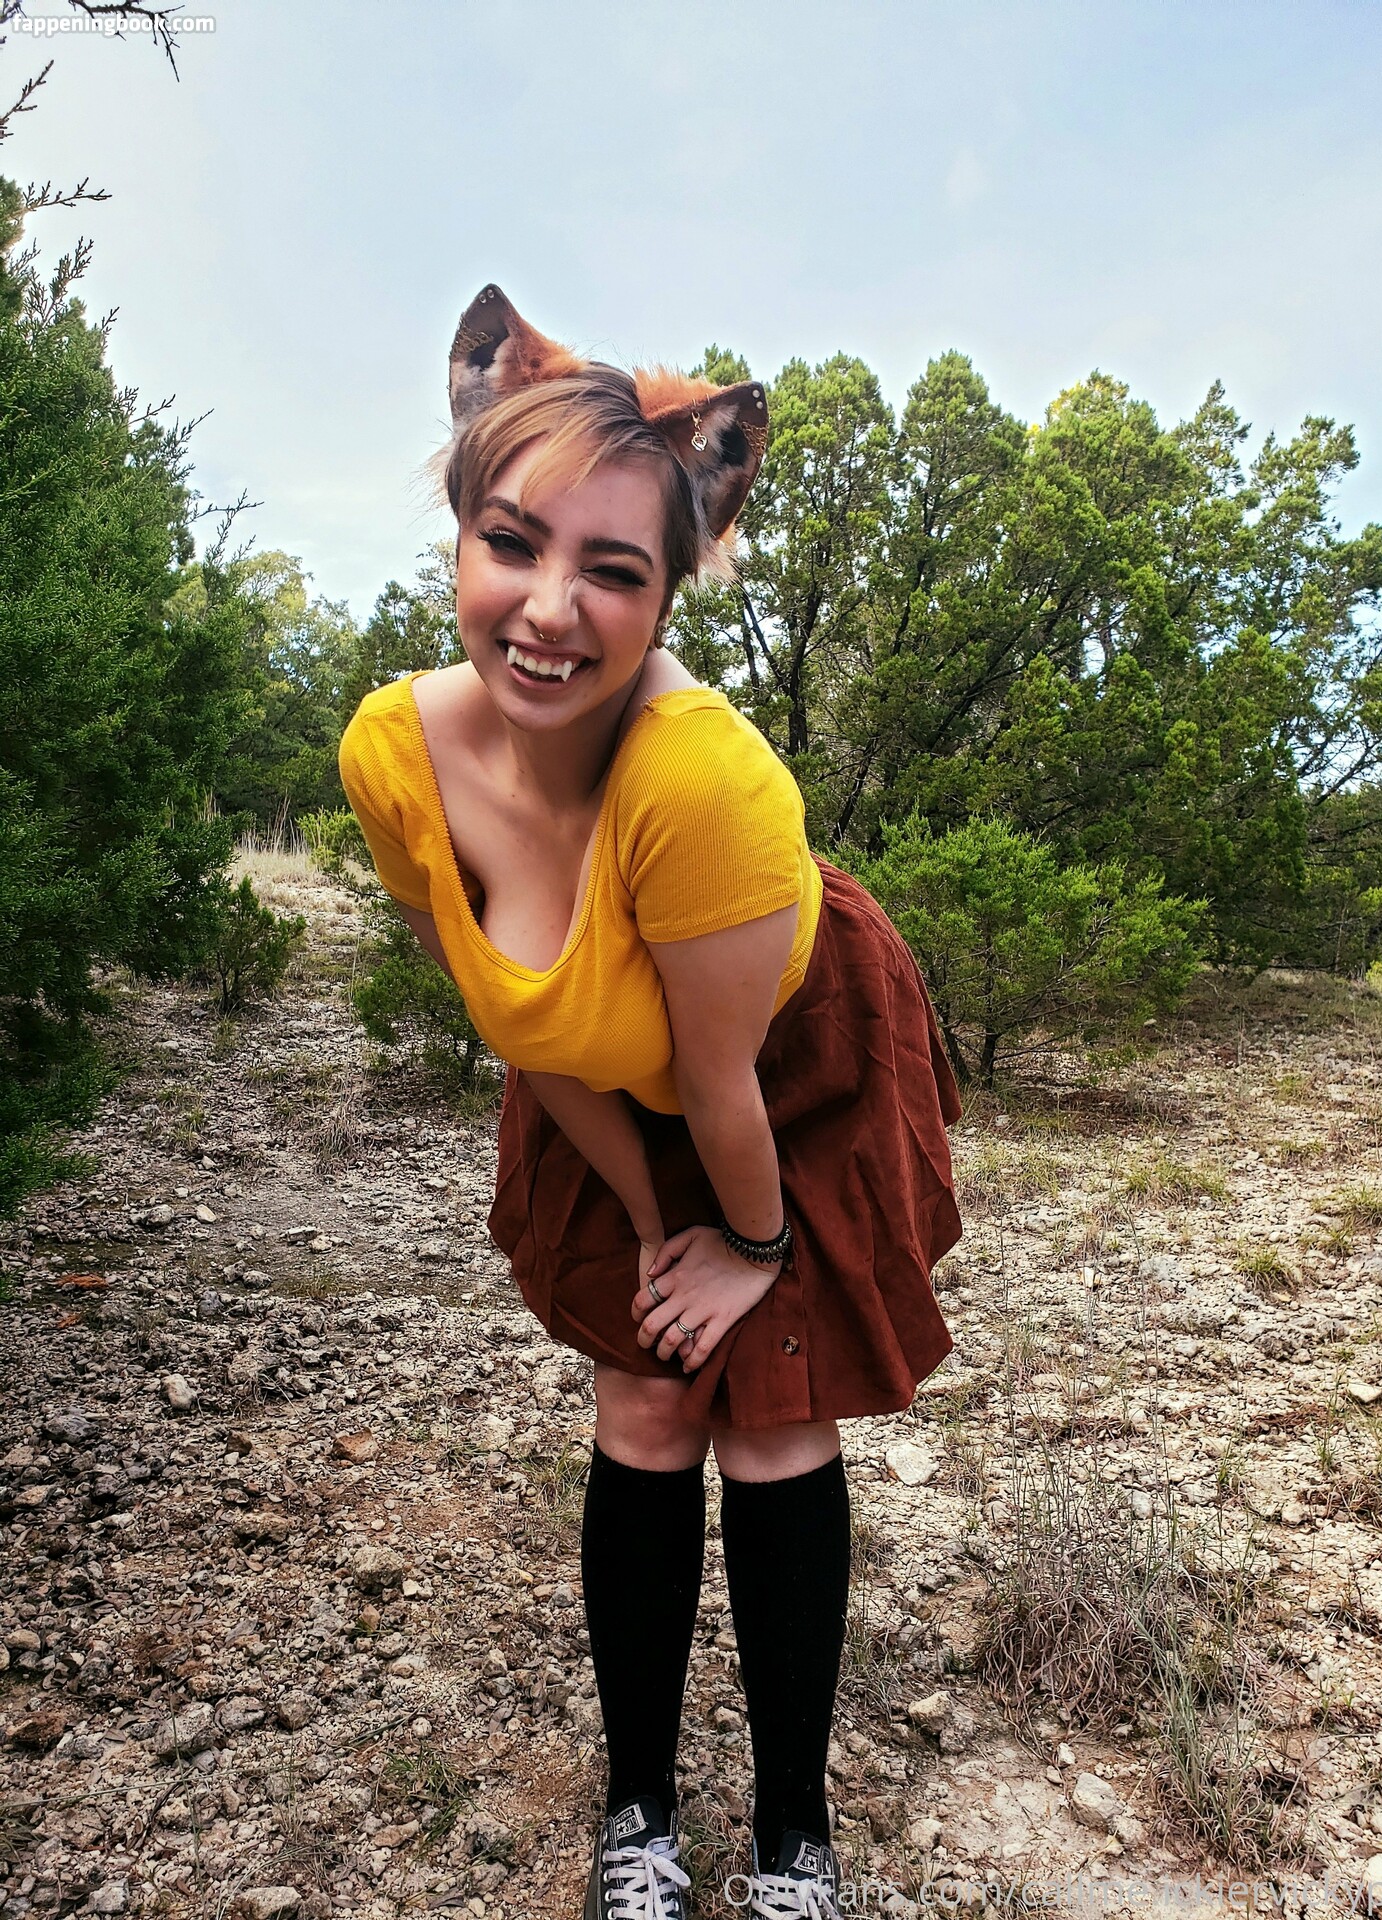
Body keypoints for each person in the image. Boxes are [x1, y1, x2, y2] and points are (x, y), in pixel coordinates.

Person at [338, 285, 965, 1920]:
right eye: (511, 542)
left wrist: (748, 1245)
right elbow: (520, 1023)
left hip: (782, 1056)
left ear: (672, 585)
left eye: (614, 570)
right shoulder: (398, 756)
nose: (549, 609)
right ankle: (638, 1821)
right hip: (608, 1064)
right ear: (461, 533)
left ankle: (795, 1845)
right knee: (644, 1399)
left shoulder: (700, 781)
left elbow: (722, 1078)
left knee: (773, 1412)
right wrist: (644, 1215)